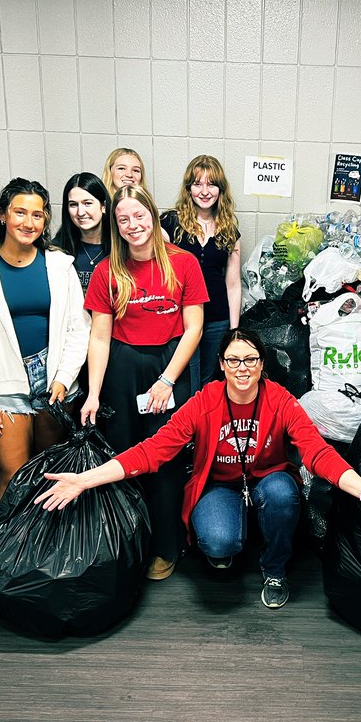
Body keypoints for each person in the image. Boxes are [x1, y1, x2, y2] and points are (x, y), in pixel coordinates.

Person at [36, 329, 361, 608]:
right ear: (221, 364)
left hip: (269, 481)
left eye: (251, 359)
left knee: (283, 495)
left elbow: (318, 454)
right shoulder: (204, 402)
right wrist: (85, 480)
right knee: (219, 543)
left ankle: (274, 568)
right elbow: (152, 452)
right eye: (233, 359)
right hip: (220, 485)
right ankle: (235, 537)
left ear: (261, 365)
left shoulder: (281, 401)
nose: (242, 367)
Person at [81, 184, 208, 580]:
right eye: (123, 219)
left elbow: (194, 328)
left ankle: (165, 547)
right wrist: (94, 394)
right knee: (123, 456)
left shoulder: (183, 263)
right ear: (115, 225)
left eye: (139, 216)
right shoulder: (107, 270)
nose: (133, 225)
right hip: (122, 366)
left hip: (168, 365)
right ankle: (127, 542)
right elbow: (99, 336)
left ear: (153, 216)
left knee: (166, 460)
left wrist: (168, 381)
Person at [0, 178, 90, 509]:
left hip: (55, 380)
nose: (29, 223)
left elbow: (78, 328)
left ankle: (42, 548)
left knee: (49, 472)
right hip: (4, 382)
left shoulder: (60, 264)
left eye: (38, 215)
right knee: (13, 474)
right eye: (20, 212)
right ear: (2, 215)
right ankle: (4, 556)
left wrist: (64, 377)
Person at [160, 155, 242, 390]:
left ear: (220, 189)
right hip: (180, 318)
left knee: (208, 382)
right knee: (183, 379)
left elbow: (234, 284)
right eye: (198, 184)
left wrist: (234, 330)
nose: (204, 191)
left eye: (211, 184)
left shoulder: (229, 230)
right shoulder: (169, 224)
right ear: (189, 188)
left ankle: (204, 425)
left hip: (217, 319)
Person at [53, 172, 111, 294]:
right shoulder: (57, 249)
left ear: (103, 206)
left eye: (87, 203)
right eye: (73, 205)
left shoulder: (121, 246)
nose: (80, 212)